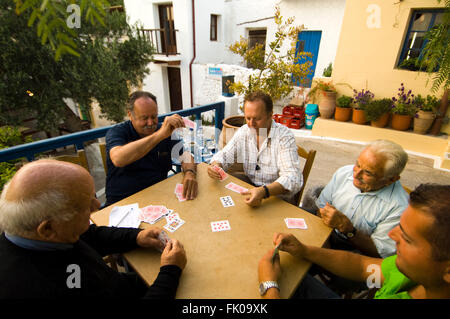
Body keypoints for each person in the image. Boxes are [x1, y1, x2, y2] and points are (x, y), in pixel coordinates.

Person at [0, 159, 187, 298]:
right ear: (47, 228)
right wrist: (170, 271)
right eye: (85, 205)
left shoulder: (44, 234)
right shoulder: (39, 287)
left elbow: (89, 235)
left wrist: (137, 236)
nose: (97, 205)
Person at [258, 183, 450, 299]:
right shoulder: (409, 272)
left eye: (407, 238)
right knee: (295, 280)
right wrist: (306, 250)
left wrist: (269, 287)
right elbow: (362, 266)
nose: (392, 235)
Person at [315, 140, 409, 258]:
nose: (355, 174)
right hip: (324, 232)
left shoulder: (399, 207)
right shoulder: (344, 173)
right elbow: (320, 207)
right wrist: (323, 241)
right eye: (358, 165)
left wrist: (348, 230)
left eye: (368, 173)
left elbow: (379, 252)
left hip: (357, 254)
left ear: (391, 179)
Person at [207, 91, 302, 207]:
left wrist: (264, 191)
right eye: (248, 118)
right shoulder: (244, 131)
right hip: (251, 185)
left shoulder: (284, 137)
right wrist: (216, 165)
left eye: (257, 119)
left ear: (270, 115)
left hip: (276, 194)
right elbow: (225, 155)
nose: (251, 124)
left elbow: (293, 178)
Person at [105, 91, 198, 206]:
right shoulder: (117, 132)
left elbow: (185, 155)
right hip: (123, 202)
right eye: (144, 118)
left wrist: (190, 173)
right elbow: (118, 158)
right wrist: (160, 135)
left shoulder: (163, 130)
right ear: (130, 115)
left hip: (158, 195)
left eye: (154, 117)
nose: (150, 123)